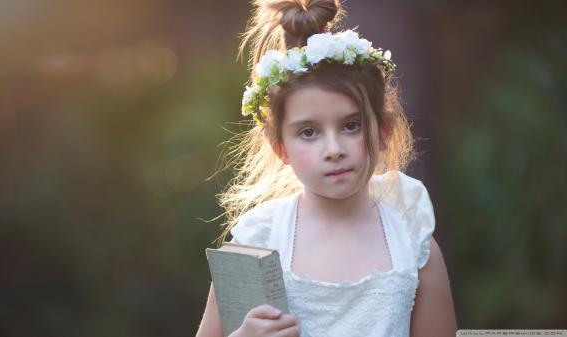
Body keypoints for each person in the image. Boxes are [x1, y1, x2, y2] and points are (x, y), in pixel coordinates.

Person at [196, 0, 457, 336]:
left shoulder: (411, 241)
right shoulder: (257, 242)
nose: (333, 150)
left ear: (382, 133)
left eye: (351, 125)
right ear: (280, 148)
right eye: (309, 132)